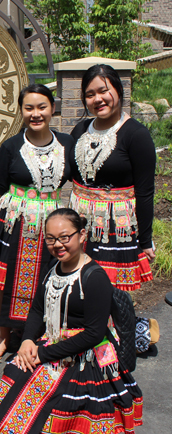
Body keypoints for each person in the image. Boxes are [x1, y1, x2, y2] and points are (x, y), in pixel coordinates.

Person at [0, 208, 143, 434]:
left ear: (82, 235)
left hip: (86, 353)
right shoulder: (53, 268)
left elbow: (94, 334)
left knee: (61, 398)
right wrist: (27, 341)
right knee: (16, 370)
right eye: (51, 239)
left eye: (65, 237)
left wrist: (41, 354)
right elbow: (36, 310)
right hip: (52, 341)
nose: (58, 245)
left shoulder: (95, 277)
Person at [0, 84, 74, 361]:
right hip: (14, 221)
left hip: (52, 223)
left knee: (48, 278)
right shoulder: (11, 146)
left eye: (41, 107)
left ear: (52, 109)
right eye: (29, 108)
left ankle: (41, 335)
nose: (36, 114)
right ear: (21, 111)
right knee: (9, 280)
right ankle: (6, 337)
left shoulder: (67, 144)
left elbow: (80, 182)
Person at [70, 63, 155, 290]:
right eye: (90, 94)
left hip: (116, 228)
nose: (97, 99)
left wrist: (145, 241)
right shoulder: (80, 130)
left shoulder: (136, 134)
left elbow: (145, 193)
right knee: (78, 289)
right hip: (79, 225)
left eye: (103, 91)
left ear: (118, 90)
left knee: (112, 293)